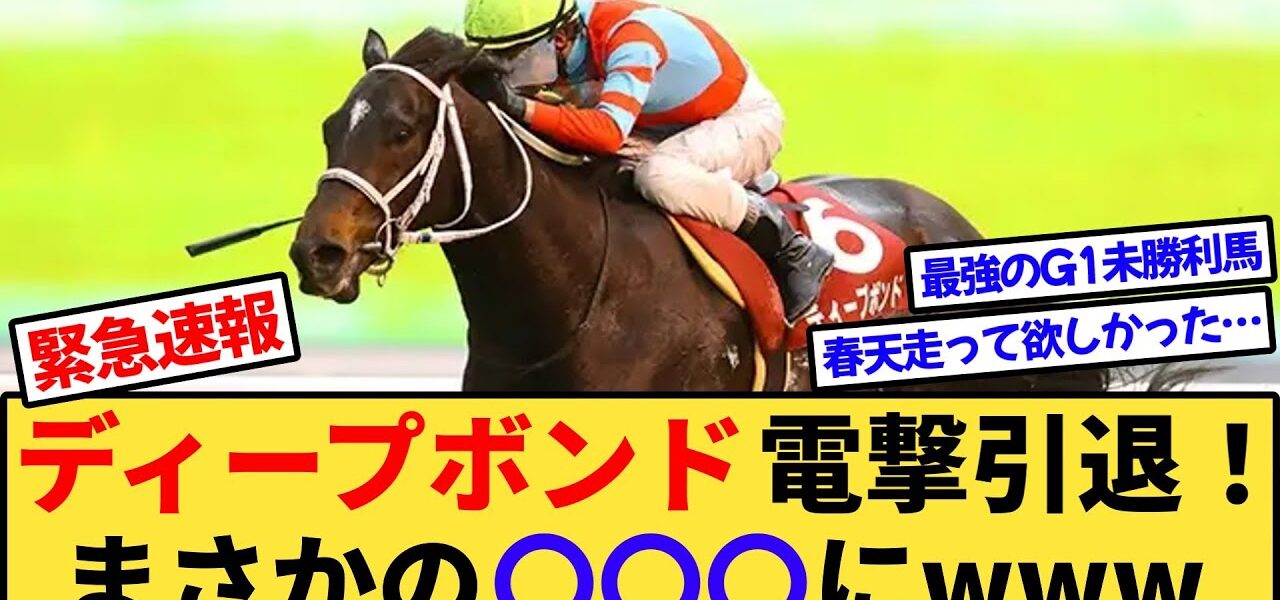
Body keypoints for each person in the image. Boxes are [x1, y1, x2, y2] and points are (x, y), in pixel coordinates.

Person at [463, 0, 833, 323]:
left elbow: (608, 132)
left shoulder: (632, 38)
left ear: (559, 40)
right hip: (661, 120)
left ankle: (790, 247)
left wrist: (520, 106)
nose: (508, 74)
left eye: (516, 61)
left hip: (740, 118)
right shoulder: (564, 33)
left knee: (657, 176)